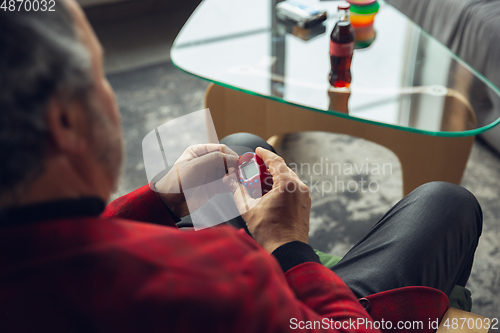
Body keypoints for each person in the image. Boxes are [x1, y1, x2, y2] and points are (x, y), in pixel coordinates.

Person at [0, 1, 482, 333]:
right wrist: (289, 246)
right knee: (447, 203)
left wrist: (158, 201)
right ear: (64, 123)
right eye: (99, 78)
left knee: (239, 147)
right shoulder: (218, 275)